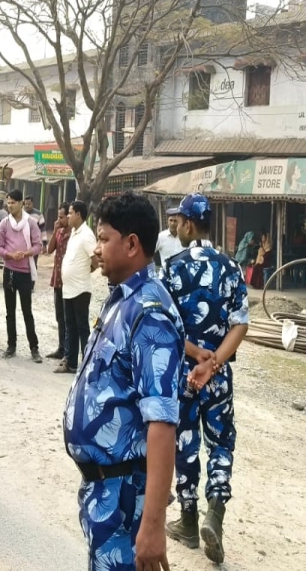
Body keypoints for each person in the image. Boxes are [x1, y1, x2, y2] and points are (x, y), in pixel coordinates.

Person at [63, 191, 184, 571]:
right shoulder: (122, 298)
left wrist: (152, 525)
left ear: (132, 244)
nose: (96, 249)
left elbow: (162, 423)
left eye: (103, 239)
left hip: (125, 496)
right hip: (104, 490)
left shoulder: (150, 315)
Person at [159, 193, 250, 564]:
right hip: (218, 376)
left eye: (179, 220)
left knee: (183, 443)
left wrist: (196, 356)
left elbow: (162, 324)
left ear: (190, 224)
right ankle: (215, 512)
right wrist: (213, 363)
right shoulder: (232, 268)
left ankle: (189, 518)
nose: (177, 226)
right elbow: (240, 324)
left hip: (184, 374)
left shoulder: (173, 267)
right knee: (221, 443)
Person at [0, 189, 42, 362]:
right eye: (8, 202)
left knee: (27, 311)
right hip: (9, 271)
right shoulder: (4, 224)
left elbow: (38, 246)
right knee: (10, 311)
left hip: (25, 273)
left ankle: (34, 348)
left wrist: (27, 253)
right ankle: (11, 345)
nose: (10, 205)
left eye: (13, 202)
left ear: (21, 203)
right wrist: (9, 255)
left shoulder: (31, 223)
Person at [58, 200, 99, 375]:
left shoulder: (87, 234)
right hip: (69, 288)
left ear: (79, 215)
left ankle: (86, 363)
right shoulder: (74, 232)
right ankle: (71, 362)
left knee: (82, 326)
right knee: (70, 326)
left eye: (70, 212)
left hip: (81, 288)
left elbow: (95, 259)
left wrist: (87, 270)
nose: (68, 216)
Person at [45, 203, 71, 362]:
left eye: (61, 217)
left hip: (69, 280)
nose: (59, 220)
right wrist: (55, 231)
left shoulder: (74, 234)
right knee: (59, 316)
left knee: (69, 318)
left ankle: (69, 351)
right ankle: (61, 348)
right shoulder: (60, 232)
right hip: (58, 279)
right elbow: (49, 250)